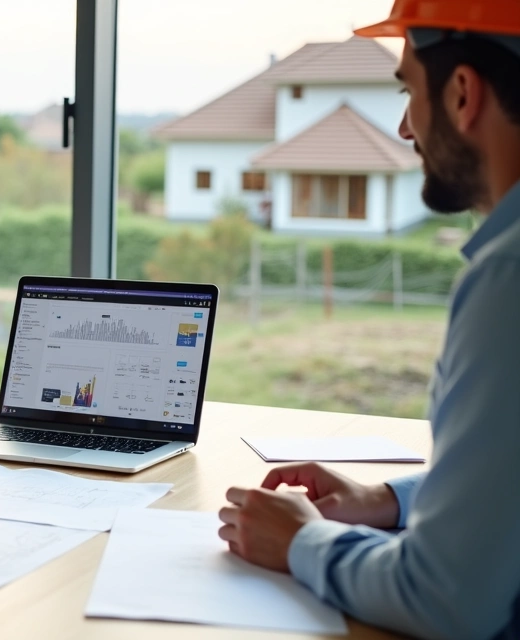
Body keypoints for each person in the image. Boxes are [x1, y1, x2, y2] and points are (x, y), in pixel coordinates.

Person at [217, 2, 520, 638]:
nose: (407, 128)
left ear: (463, 93)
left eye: (409, 90)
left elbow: (445, 598)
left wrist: (302, 540)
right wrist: (387, 501)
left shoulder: (507, 277)